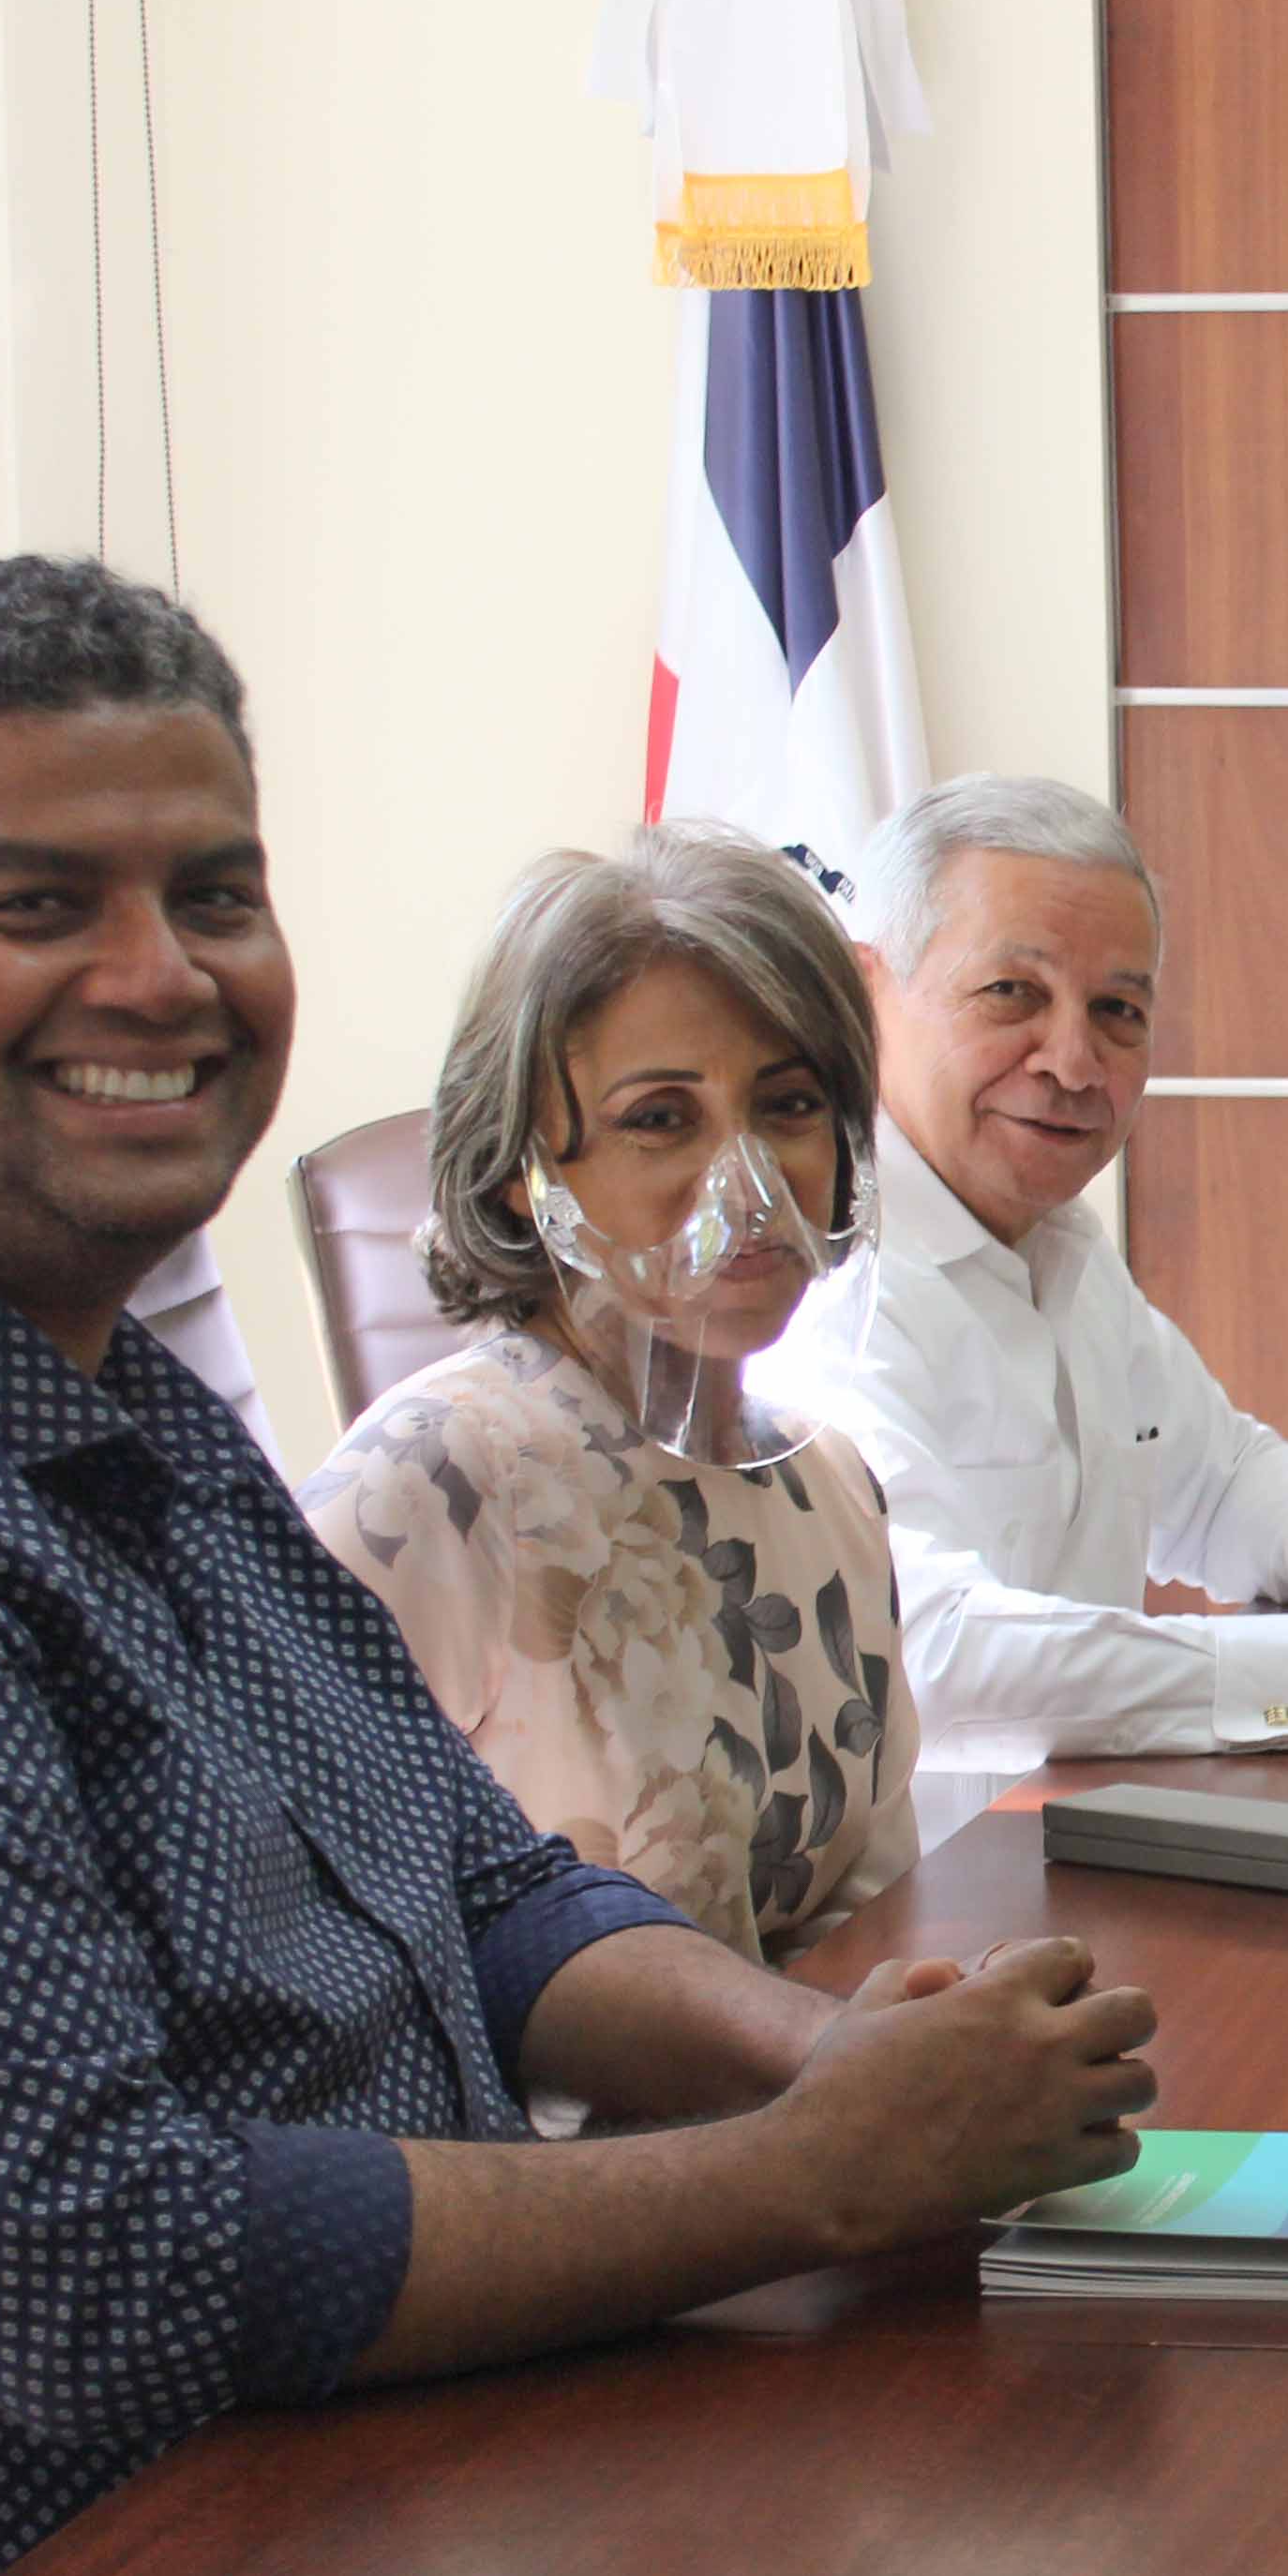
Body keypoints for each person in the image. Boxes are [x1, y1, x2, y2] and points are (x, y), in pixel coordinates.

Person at [0, 559, 1152, 2576]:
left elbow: (483, 1886)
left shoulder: (118, 1403)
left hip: (464, 2466)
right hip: (224, 2564)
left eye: (214, 894)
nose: (161, 976)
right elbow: (99, 2271)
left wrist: (828, 2063)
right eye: (38, 904)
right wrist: (804, 2172)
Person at [767, 776, 1288, 1769]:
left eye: (1118, 1010)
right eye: (1012, 993)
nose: (1073, 1061)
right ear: (865, 997)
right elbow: (927, 1654)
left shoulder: (1060, 1248)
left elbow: (1217, 1484)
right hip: (945, 1865)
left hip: (1090, 1831)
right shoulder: (815, 1288)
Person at [301, 826, 913, 1966]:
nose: (750, 1185)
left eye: (788, 1104)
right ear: (520, 1169)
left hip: (820, 2077)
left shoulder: (828, 1485)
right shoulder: (434, 1483)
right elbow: (302, 1944)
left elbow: (872, 1910)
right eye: (660, 1118)